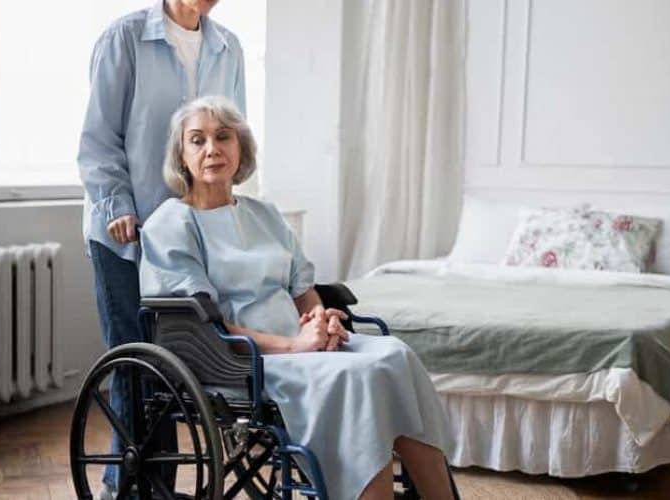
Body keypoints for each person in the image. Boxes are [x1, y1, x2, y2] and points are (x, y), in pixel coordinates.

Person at [139, 96, 457, 500]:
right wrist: (295, 345)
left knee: (395, 355)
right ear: (182, 157)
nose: (212, 149)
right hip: (237, 357)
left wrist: (321, 321)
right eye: (197, 141)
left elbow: (302, 290)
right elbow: (203, 324)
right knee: (353, 377)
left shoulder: (264, 214)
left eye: (223, 137)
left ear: (241, 149)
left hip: (300, 343)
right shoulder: (171, 223)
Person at [76, 1, 245, 496]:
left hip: (188, 236)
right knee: (137, 366)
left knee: (177, 367)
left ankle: (139, 486)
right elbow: (98, 141)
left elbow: (233, 136)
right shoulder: (124, 39)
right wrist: (117, 206)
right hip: (125, 235)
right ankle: (132, 488)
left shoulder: (227, 48)